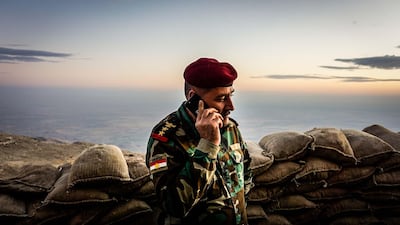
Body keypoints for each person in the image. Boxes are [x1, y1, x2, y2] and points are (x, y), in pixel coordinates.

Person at [146, 58, 253, 225]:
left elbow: (245, 172)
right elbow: (174, 206)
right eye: (221, 98)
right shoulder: (166, 138)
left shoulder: (230, 128)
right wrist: (208, 145)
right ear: (194, 99)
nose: (231, 106)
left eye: (231, 95)